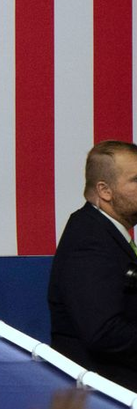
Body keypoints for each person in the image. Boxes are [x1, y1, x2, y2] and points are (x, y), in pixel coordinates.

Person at [48, 141, 137, 391]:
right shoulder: (89, 240)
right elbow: (104, 333)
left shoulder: (103, 231)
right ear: (105, 191)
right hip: (107, 396)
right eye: (136, 180)